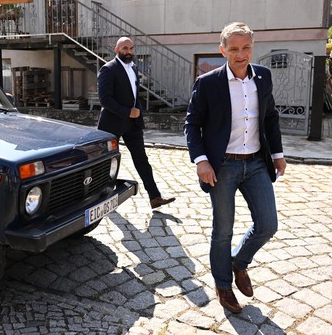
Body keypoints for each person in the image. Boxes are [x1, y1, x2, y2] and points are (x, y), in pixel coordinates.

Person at [184, 22, 286, 314]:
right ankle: (223, 285)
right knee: (223, 231)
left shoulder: (263, 77)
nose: (240, 55)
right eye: (233, 49)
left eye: (246, 48)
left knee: (268, 225)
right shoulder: (208, 83)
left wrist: (277, 154)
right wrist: (201, 160)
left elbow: (270, 118)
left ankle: (239, 263)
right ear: (222, 50)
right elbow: (192, 123)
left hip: (256, 163)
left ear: (252, 47)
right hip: (223, 166)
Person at [97, 37, 175, 210]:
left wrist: (137, 113)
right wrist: (126, 112)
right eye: (125, 48)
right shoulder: (108, 69)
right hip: (111, 124)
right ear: (117, 50)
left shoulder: (133, 68)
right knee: (106, 162)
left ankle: (155, 197)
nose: (129, 51)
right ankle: (99, 198)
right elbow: (105, 99)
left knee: (142, 159)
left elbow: (133, 94)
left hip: (132, 124)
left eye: (131, 48)